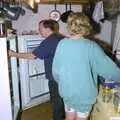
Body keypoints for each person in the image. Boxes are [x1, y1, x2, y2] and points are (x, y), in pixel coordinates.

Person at [52, 12, 120, 120]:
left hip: (68, 92)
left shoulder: (62, 43)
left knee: (69, 118)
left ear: (69, 26)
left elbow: (55, 72)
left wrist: (66, 84)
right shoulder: (91, 46)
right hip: (84, 95)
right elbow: (108, 70)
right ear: (86, 27)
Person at [8, 19, 65, 120]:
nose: (39, 30)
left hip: (56, 77)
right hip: (65, 75)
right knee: (62, 100)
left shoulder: (49, 41)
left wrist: (13, 54)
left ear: (47, 28)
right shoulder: (60, 37)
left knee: (57, 101)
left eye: (40, 28)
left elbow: (32, 56)